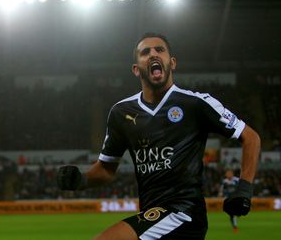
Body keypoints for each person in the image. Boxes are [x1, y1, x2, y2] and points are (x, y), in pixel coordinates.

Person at [57, 33, 260, 240]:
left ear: (172, 63)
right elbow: (106, 170)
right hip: (152, 216)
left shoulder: (196, 104)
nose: (153, 54)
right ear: (136, 69)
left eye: (160, 50)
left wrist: (244, 189)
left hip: (184, 213)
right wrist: (80, 180)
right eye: (145, 52)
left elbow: (251, 138)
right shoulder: (121, 113)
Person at [218, 169, 240, 233]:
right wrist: (220, 194)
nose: (228, 175)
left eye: (229, 173)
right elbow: (221, 190)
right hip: (228, 199)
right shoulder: (224, 181)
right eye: (227, 174)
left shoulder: (237, 180)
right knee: (232, 214)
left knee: (233, 213)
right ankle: (235, 226)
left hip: (236, 198)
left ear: (232, 174)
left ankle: (235, 226)